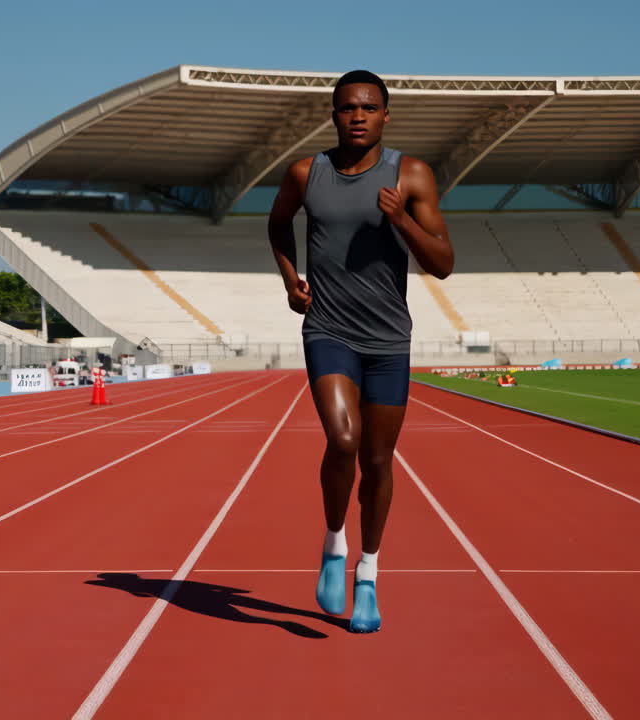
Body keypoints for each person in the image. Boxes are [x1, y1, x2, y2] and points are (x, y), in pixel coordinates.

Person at [267, 70, 454, 633]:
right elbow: (277, 225)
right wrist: (289, 278)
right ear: (333, 114)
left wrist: (400, 220)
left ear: (385, 115)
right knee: (342, 439)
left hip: (389, 338)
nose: (357, 116)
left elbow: (443, 262)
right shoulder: (307, 173)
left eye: (369, 108)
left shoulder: (411, 174)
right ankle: (334, 543)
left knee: (377, 462)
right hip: (328, 329)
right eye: (347, 108)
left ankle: (367, 573)